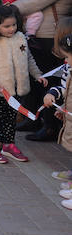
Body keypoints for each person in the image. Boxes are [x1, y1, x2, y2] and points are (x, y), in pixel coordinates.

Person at [13, 0, 72, 141]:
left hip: (51, 36)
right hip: (33, 33)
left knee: (50, 81)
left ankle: (50, 125)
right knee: (35, 79)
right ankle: (34, 117)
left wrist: (10, 10)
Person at [0, 5, 47, 164]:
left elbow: (28, 59)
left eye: (14, 25)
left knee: (10, 118)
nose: (11, 29)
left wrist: (38, 75)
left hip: (15, 89)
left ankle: (8, 144)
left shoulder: (20, 37)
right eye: (6, 26)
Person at [43, 29, 72, 209]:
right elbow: (65, 88)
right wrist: (61, 106)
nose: (65, 61)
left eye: (68, 57)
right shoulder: (69, 67)